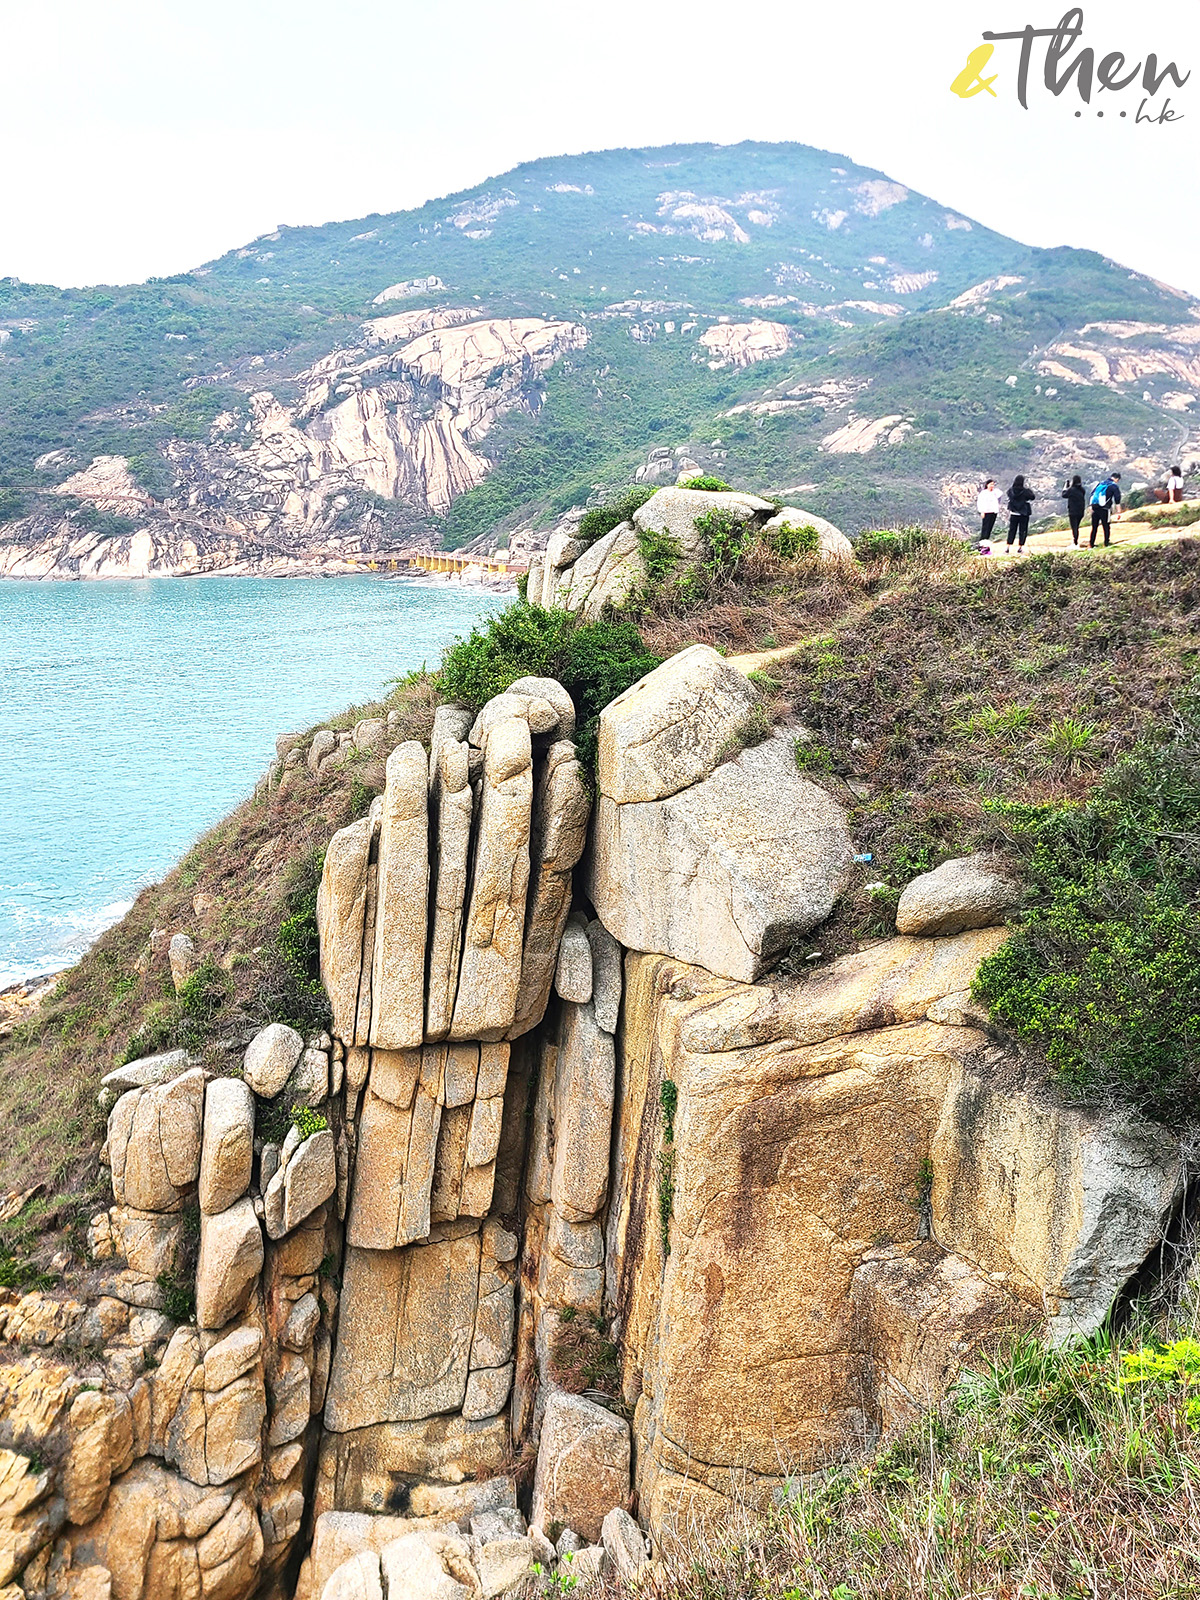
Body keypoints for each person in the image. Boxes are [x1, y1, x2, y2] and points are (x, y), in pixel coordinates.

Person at [1089, 472, 1122, 547]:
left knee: (1094, 527)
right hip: (1105, 508)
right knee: (1106, 526)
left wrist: (1091, 506)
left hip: (1095, 508)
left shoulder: (1100, 484)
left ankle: (1091, 544)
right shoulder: (1113, 486)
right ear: (1117, 479)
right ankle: (1106, 543)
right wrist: (1119, 512)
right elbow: (1117, 499)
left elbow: (1092, 494)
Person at [1006, 474, 1035, 552]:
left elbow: (1009, 496)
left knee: (1012, 530)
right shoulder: (1025, 491)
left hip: (1014, 513)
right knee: (1023, 530)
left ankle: (1008, 547)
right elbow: (1032, 497)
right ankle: (1020, 547)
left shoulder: (1010, 491)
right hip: (1024, 513)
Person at [1060, 474, 1086, 546]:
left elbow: (1064, 495)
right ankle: (1075, 540)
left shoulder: (1071, 490)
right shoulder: (1082, 490)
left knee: (1074, 527)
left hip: (1073, 511)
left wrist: (1065, 487)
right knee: (1077, 526)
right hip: (1081, 511)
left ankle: (1075, 541)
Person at [977, 478, 1001, 544]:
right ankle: (982, 542)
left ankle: (986, 541)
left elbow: (1000, 495)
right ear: (987, 485)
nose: (992, 486)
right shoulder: (983, 493)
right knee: (985, 527)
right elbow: (980, 502)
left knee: (990, 527)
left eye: (993, 484)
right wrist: (982, 511)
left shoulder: (995, 492)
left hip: (993, 511)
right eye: (990, 484)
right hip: (986, 512)